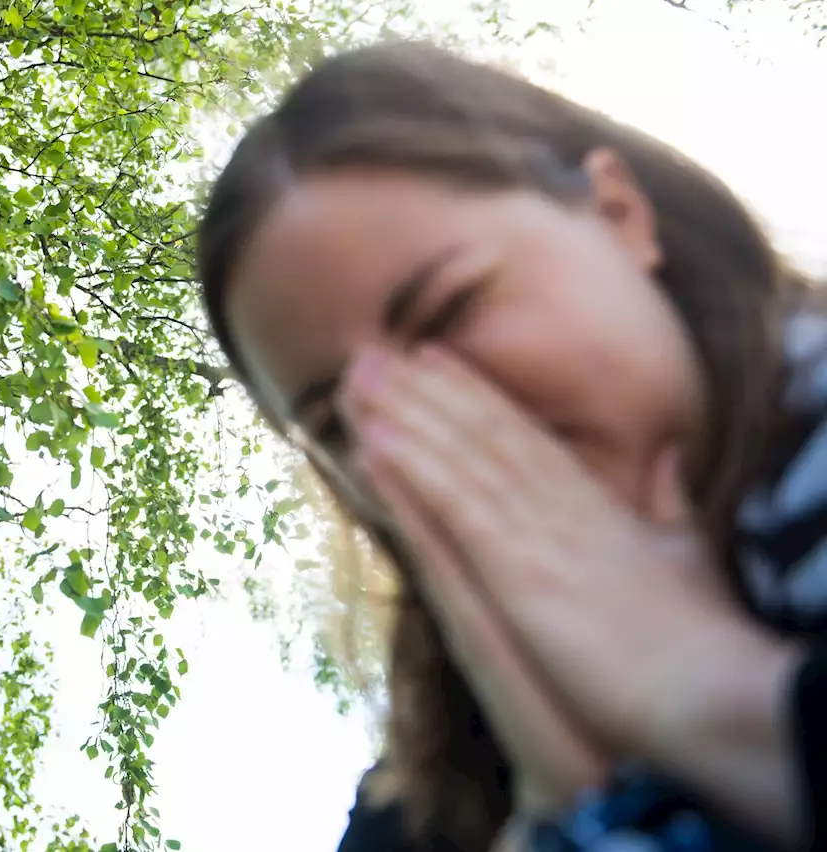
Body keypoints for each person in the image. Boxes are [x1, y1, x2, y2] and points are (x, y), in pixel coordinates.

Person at [195, 40, 827, 852]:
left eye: (447, 312)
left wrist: (712, 696)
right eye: (341, 422)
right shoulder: (424, 786)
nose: (425, 425)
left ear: (617, 215)